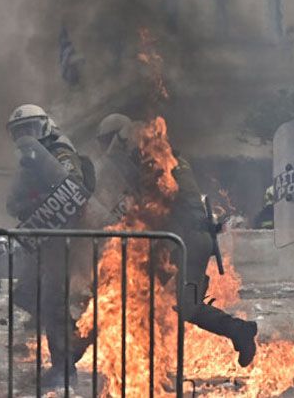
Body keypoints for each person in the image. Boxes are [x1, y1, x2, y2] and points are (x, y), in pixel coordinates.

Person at [101, 113, 258, 367]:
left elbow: (154, 206)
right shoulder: (164, 157)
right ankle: (146, 359)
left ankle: (240, 330)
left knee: (187, 306)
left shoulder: (157, 161)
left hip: (187, 242)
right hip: (175, 242)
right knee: (138, 293)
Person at [5, 104, 96, 389]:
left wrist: (41, 199)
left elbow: (74, 187)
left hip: (67, 238)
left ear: (44, 126)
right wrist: (32, 203)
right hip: (44, 240)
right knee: (25, 294)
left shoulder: (60, 153)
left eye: (29, 129)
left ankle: (64, 367)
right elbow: (12, 204)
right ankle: (72, 344)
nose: (25, 136)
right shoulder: (28, 164)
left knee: (53, 301)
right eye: (19, 132)